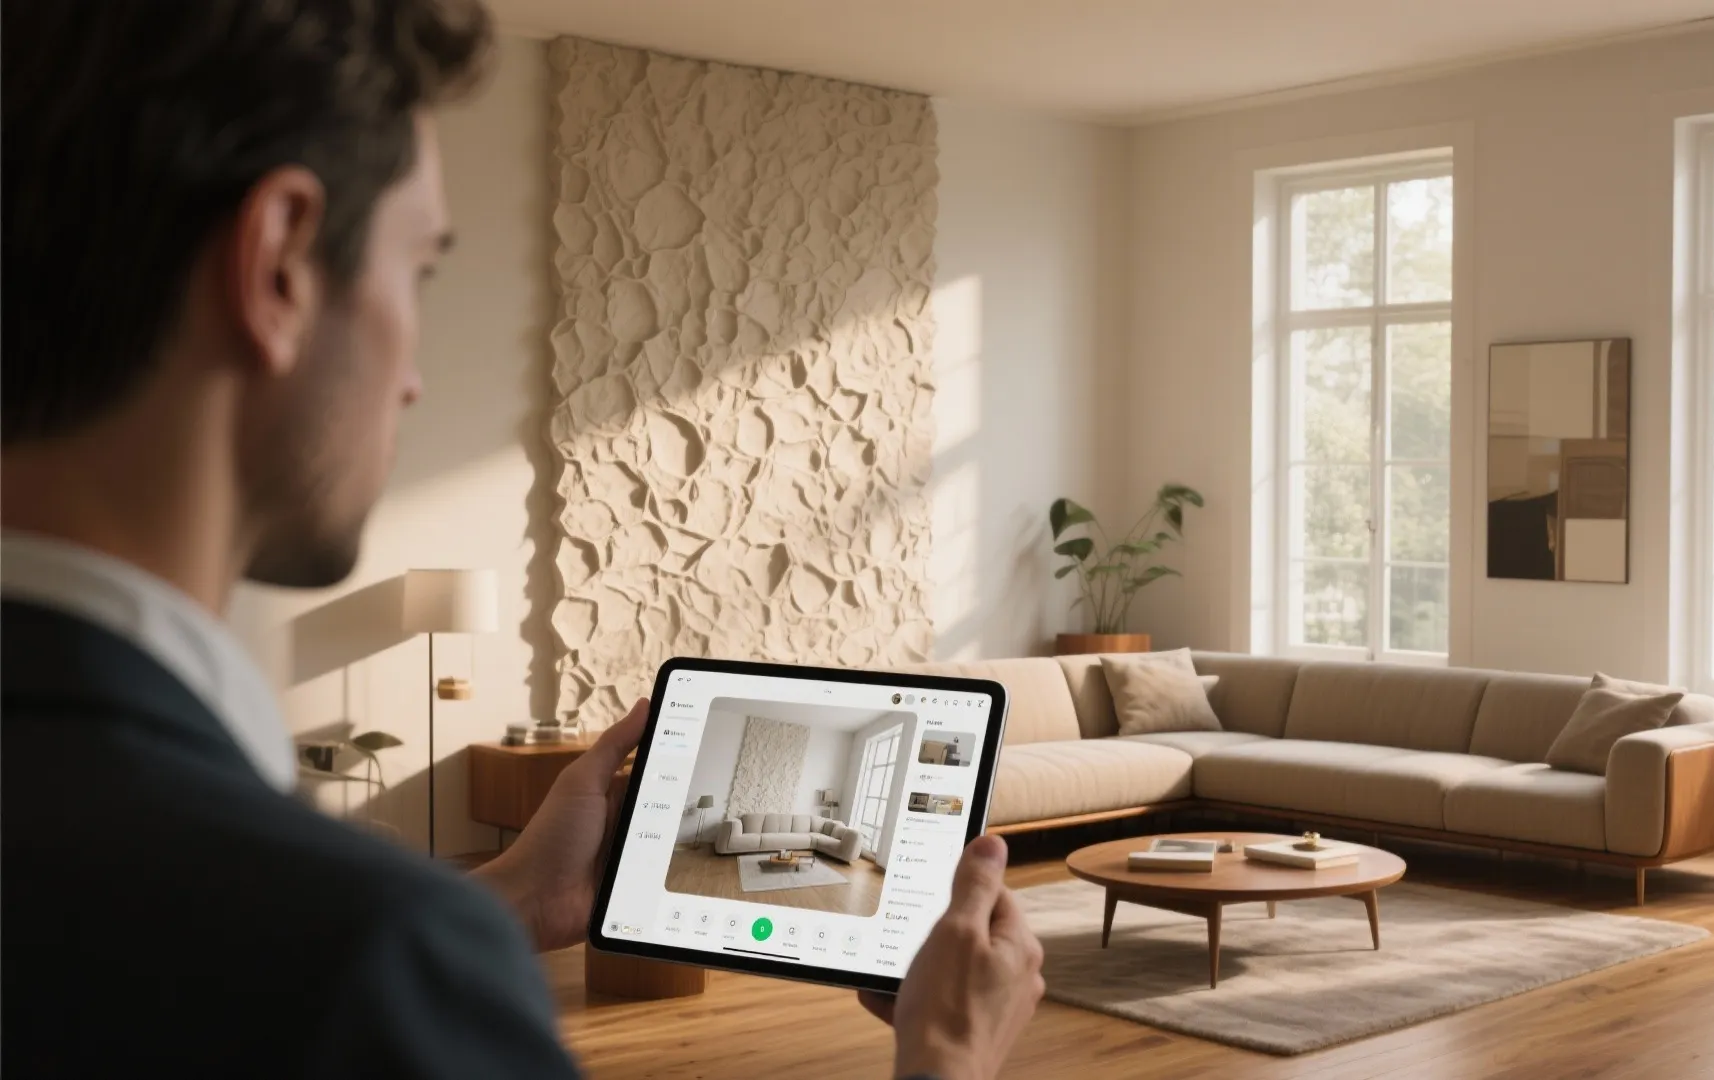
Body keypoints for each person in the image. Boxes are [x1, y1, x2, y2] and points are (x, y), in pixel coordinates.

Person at [0, 2, 1044, 1077]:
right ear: (279, 267)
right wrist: (947, 1058)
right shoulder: (358, 964)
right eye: (421, 272)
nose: (412, 379)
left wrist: (508, 898)